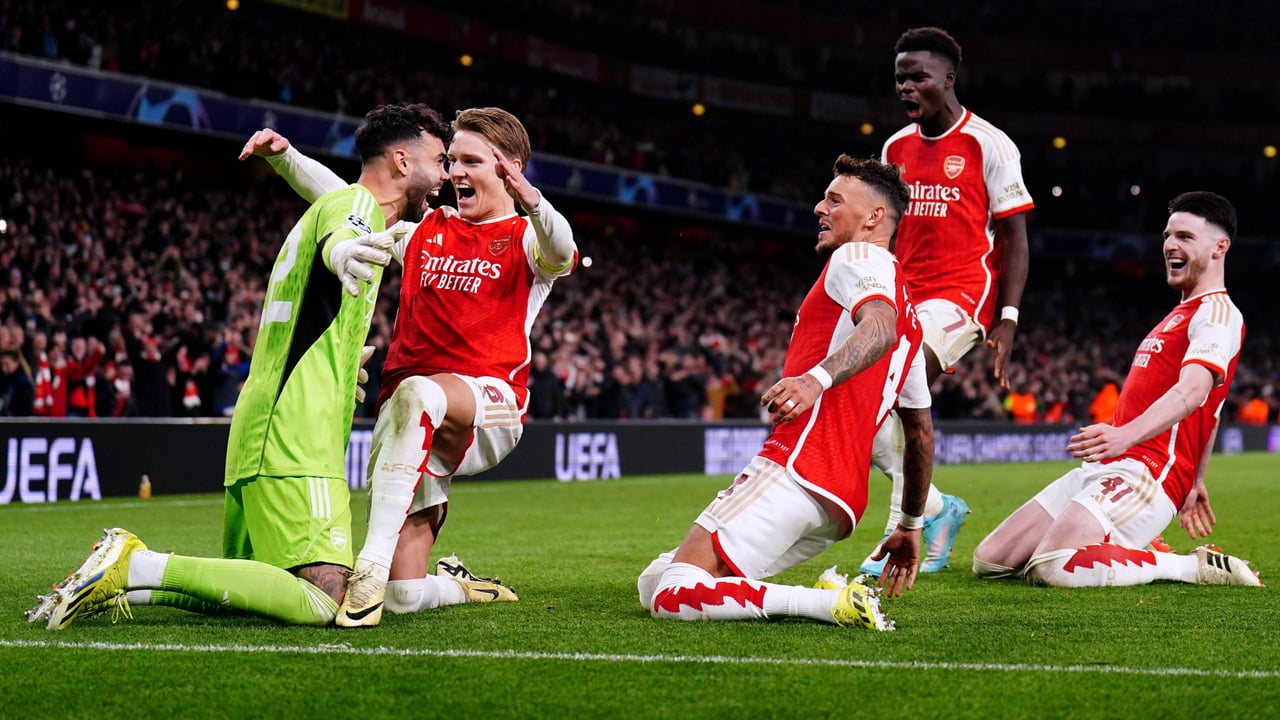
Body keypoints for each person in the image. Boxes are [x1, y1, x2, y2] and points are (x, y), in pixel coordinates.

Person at [29, 102, 455, 629]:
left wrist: (344, 364)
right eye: (440, 161)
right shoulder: (356, 209)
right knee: (326, 598)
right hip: (297, 438)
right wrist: (342, 253)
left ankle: (124, 584)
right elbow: (342, 239)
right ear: (402, 161)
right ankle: (137, 564)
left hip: (261, 427)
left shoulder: (340, 207)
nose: (445, 176)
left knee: (252, 586)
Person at [247, 106, 578, 627]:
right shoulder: (426, 231)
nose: (456, 172)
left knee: (418, 392)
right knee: (404, 594)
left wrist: (533, 200)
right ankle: (457, 585)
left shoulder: (525, 237)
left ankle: (369, 569)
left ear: (510, 169)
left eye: (472, 161)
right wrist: (286, 158)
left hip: (488, 405)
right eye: (452, 160)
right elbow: (348, 201)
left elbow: (563, 249)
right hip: (410, 420)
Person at [636, 155, 934, 631]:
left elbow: (878, 328)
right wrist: (911, 525)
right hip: (839, 503)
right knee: (653, 580)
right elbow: (919, 435)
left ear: (874, 217)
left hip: (797, 467)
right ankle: (829, 594)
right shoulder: (913, 317)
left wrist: (815, 380)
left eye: (834, 200)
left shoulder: (857, 257)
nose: (820, 208)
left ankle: (831, 604)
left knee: (672, 595)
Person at [972, 192, 1262, 588]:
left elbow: (1194, 392)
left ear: (1219, 248)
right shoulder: (1178, 315)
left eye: (1185, 237)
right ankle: (1125, 545)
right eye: (1167, 235)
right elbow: (1212, 409)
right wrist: (1197, 483)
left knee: (1053, 566)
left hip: (1148, 473)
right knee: (991, 561)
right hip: (1107, 467)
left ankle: (1187, 566)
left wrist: (1126, 436)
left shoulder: (1217, 313)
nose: (1170, 245)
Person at [861, 27, 1035, 577]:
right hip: (902, 296)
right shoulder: (894, 148)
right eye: (900, 79)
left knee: (898, 382)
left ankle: (899, 532)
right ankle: (936, 507)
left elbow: (1015, 238)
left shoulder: (990, 144)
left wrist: (1007, 319)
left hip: (961, 298)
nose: (906, 87)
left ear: (949, 78)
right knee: (864, 415)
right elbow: (881, 234)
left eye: (918, 77)